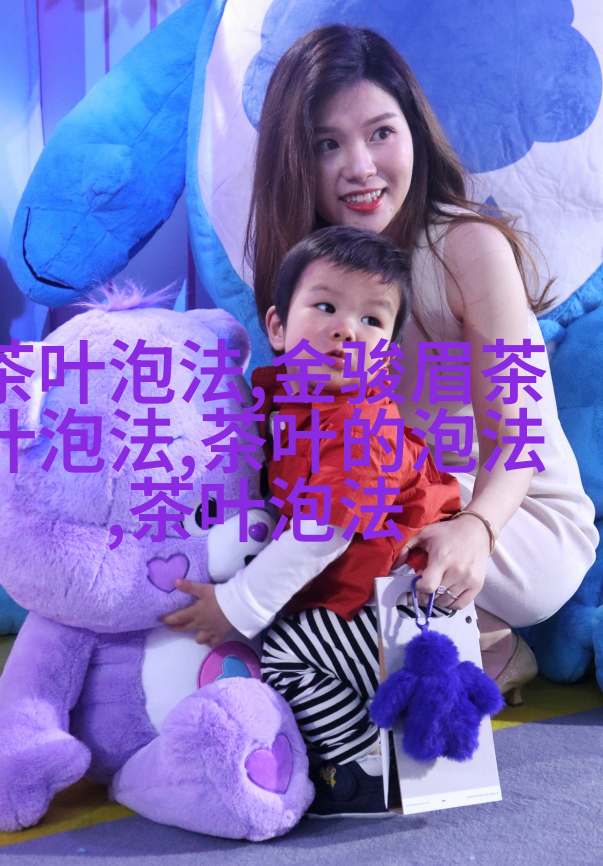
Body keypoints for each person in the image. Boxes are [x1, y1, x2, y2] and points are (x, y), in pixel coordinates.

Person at [242, 24, 598, 694]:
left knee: (339, 536)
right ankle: (471, 643)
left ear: (414, 134)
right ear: (296, 160)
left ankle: (480, 647)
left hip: (513, 513)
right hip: (391, 497)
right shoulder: (309, 272)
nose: (360, 167)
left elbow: (518, 435)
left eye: (380, 132)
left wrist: (477, 528)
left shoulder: (468, 248)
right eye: (327, 144)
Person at [165, 225, 463, 817]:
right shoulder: (277, 398)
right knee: (286, 638)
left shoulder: (360, 425)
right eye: (325, 307)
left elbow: (323, 531)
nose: (347, 329)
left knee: (284, 654)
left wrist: (237, 605)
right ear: (277, 328)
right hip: (355, 596)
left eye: (372, 321)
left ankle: (360, 764)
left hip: (397, 605)